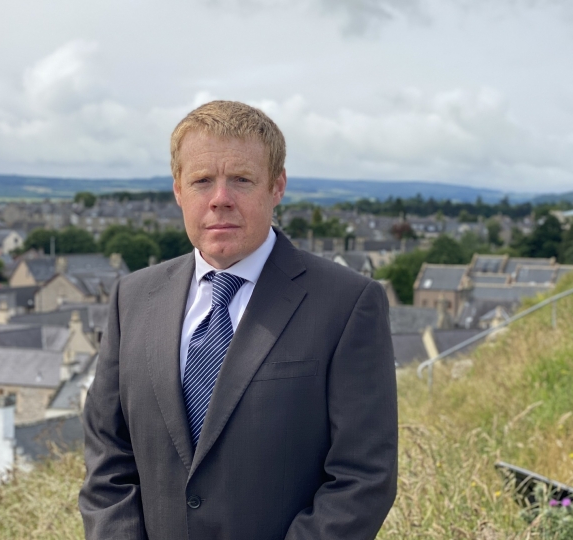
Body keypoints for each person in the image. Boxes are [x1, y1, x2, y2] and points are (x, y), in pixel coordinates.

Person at [79, 100, 398, 539]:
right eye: (202, 181)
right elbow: (107, 459)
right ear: (178, 190)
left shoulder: (348, 304)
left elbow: (362, 479)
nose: (220, 200)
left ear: (277, 186)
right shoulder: (131, 298)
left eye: (242, 180)